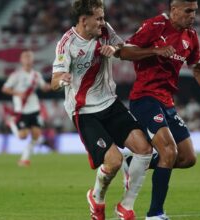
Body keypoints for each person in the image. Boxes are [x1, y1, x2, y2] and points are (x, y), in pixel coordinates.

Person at [119, 0, 200, 219]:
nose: (193, 15)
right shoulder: (155, 26)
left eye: (195, 11)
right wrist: (155, 50)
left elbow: (199, 69)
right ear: (174, 10)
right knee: (169, 152)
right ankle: (155, 214)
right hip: (144, 98)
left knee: (188, 158)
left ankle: (131, 161)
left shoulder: (190, 36)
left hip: (166, 102)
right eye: (188, 11)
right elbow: (123, 52)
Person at [50, 0, 153, 219]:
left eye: (102, 17)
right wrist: (62, 79)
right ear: (83, 20)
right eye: (97, 18)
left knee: (144, 149)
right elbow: (54, 80)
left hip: (110, 102)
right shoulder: (66, 44)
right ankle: (97, 198)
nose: (102, 22)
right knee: (114, 161)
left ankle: (126, 205)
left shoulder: (105, 30)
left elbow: (122, 48)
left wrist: (114, 48)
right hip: (84, 111)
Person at [2, 50, 51, 167]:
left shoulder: (36, 75)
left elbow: (44, 87)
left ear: (32, 60)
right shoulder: (16, 75)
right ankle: (11, 123)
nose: (28, 60)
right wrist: (18, 93)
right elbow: (5, 89)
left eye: (30, 57)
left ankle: (25, 159)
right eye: (25, 57)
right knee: (22, 136)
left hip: (34, 109)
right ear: (21, 60)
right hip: (22, 110)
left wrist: (53, 85)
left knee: (36, 135)